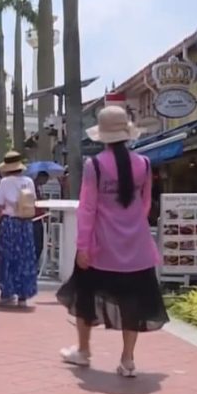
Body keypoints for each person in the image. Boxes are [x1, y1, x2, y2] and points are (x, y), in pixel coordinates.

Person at [57, 106, 168, 377]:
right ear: (127, 133)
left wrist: (84, 246)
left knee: (84, 297)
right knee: (133, 303)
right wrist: (129, 227)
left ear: (103, 136)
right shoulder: (143, 164)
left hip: (100, 248)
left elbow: (88, 208)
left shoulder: (94, 165)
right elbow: (144, 207)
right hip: (137, 248)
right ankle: (128, 359)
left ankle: (83, 351)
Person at [0, 151, 38, 307]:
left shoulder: (5, 182)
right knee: (25, 258)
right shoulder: (29, 181)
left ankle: (7, 292)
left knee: (7, 258)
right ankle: (23, 295)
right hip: (26, 223)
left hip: (10, 223)